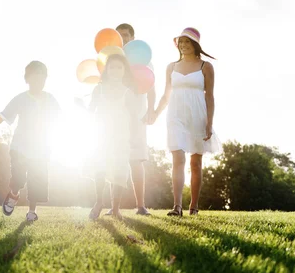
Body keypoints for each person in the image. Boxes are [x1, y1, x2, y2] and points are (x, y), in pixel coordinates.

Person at [0, 61, 61, 222]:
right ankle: (13, 194)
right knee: (18, 179)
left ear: (46, 79)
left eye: (42, 77)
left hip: (41, 148)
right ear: (27, 79)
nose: (39, 80)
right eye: (35, 76)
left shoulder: (50, 99)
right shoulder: (20, 99)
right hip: (20, 148)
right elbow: (2, 116)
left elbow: (61, 120)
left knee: (37, 180)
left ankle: (32, 211)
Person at [151, 27, 221, 216]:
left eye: (187, 42)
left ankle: (194, 206)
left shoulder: (206, 66)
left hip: (198, 115)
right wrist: (156, 113)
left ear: (195, 44)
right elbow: (166, 94)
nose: (183, 45)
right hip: (175, 116)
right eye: (181, 42)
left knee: (195, 163)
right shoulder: (171, 67)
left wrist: (209, 122)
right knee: (178, 158)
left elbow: (210, 97)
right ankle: (177, 206)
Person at [105, 23, 156, 216]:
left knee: (136, 160)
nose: (123, 40)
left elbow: (151, 87)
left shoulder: (144, 60)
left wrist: (151, 109)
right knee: (113, 158)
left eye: (126, 36)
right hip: (115, 117)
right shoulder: (113, 60)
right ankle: (113, 206)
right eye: (119, 36)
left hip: (137, 116)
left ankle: (141, 206)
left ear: (132, 38)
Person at [84, 54, 138, 220]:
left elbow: (134, 118)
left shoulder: (128, 92)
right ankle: (99, 202)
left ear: (124, 71)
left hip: (121, 138)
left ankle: (115, 208)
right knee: (100, 169)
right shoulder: (98, 89)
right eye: (112, 67)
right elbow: (90, 111)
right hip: (101, 136)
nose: (115, 70)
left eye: (119, 67)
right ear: (107, 70)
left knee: (120, 172)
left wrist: (134, 138)